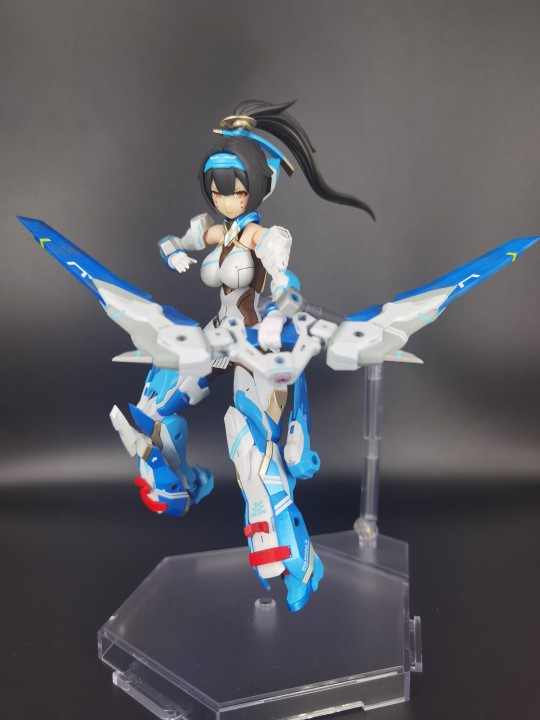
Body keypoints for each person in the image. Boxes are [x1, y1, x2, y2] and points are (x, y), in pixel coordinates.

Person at [111, 100, 374, 611]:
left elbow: (284, 275)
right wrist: (173, 248)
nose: (222, 196)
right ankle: (184, 483)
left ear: (254, 185)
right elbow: (175, 238)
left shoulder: (261, 236)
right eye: (215, 187)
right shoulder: (219, 231)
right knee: (151, 410)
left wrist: (286, 297)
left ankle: (301, 563)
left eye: (232, 187)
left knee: (254, 461)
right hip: (217, 336)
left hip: (253, 346)